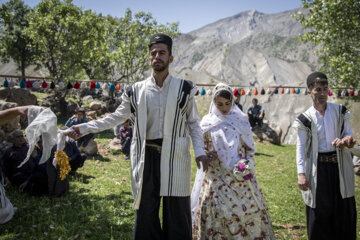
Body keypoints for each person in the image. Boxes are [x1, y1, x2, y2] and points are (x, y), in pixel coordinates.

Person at [66, 33, 208, 240]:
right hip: (146, 155)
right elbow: (114, 118)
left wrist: (200, 152)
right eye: (153, 53)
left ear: (171, 57)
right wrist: (84, 128)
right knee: (146, 209)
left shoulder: (184, 89)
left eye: (162, 52)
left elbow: (194, 123)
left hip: (176, 156)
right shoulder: (136, 90)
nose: (157, 56)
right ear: (149, 57)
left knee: (177, 210)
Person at [191, 83, 274, 239]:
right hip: (215, 178)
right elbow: (200, 147)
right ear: (213, 103)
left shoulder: (240, 120)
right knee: (216, 214)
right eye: (220, 104)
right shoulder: (207, 123)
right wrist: (206, 155)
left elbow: (249, 149)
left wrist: (247, 167)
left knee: (246, 213)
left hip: (240, 177)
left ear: (233, 102)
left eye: (228, 104)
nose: (224, 108)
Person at [293, 72, 357, 240]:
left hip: (340, 167)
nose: (322, 93)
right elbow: (300, 148)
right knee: (320, 211)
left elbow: (349, 136)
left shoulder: (339, 111)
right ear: (309, 91)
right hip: (318, 169)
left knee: (342, 207)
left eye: (325, 89)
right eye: (318, 89)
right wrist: (301, 174)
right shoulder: (305, 119)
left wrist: (347, 141)